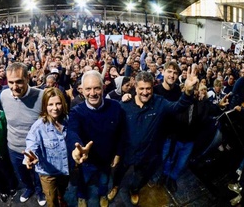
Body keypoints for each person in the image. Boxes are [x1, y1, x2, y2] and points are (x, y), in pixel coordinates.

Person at [113, 66, 198, 205]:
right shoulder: (125, 105)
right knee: (119, 172)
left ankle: (134, 190)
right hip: (127, 152)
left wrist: (188, 92)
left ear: (153, 87)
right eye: (142, 89)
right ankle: (115, 186)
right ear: (135, 87)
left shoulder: (159, 102)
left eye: (148, 89)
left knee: (140, 176)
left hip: (147, 154)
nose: (145, 92)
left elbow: (178, 107)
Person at [66, 70, 125, 207]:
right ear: (82, 90)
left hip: (106, 158)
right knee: (83, 181)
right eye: (88, 89)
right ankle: (82, 196)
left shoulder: (115, 107)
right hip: (86, 160)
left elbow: (121, 132)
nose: (92, 93)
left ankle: (103, 194)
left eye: (96, 88)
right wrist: (76, 148)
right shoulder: (76, 111)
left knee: (104, 180)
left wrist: (118, 153)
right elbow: (72, 131)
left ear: (103, 88)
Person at [0, 62, 46, 206]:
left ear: (28, 78)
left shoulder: (42, 96)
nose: (14, 87)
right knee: (22, 174)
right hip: (14, 147)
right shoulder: (4, 95)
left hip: (36, 148)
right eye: (11, 82)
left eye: (19, 81)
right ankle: (29, 188)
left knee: (39, 174)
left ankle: (40, 192)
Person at [24, 87, 69, 207]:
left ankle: (61, 198)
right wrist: (29, 157)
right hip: (48, 174)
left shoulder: (67, 120)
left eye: (58, 103)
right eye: (51, 104)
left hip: (64, 169)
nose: (55, 108)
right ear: (45, 106)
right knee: (51, 200)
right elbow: (31, 143)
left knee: (62, 191)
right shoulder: (39, 126)